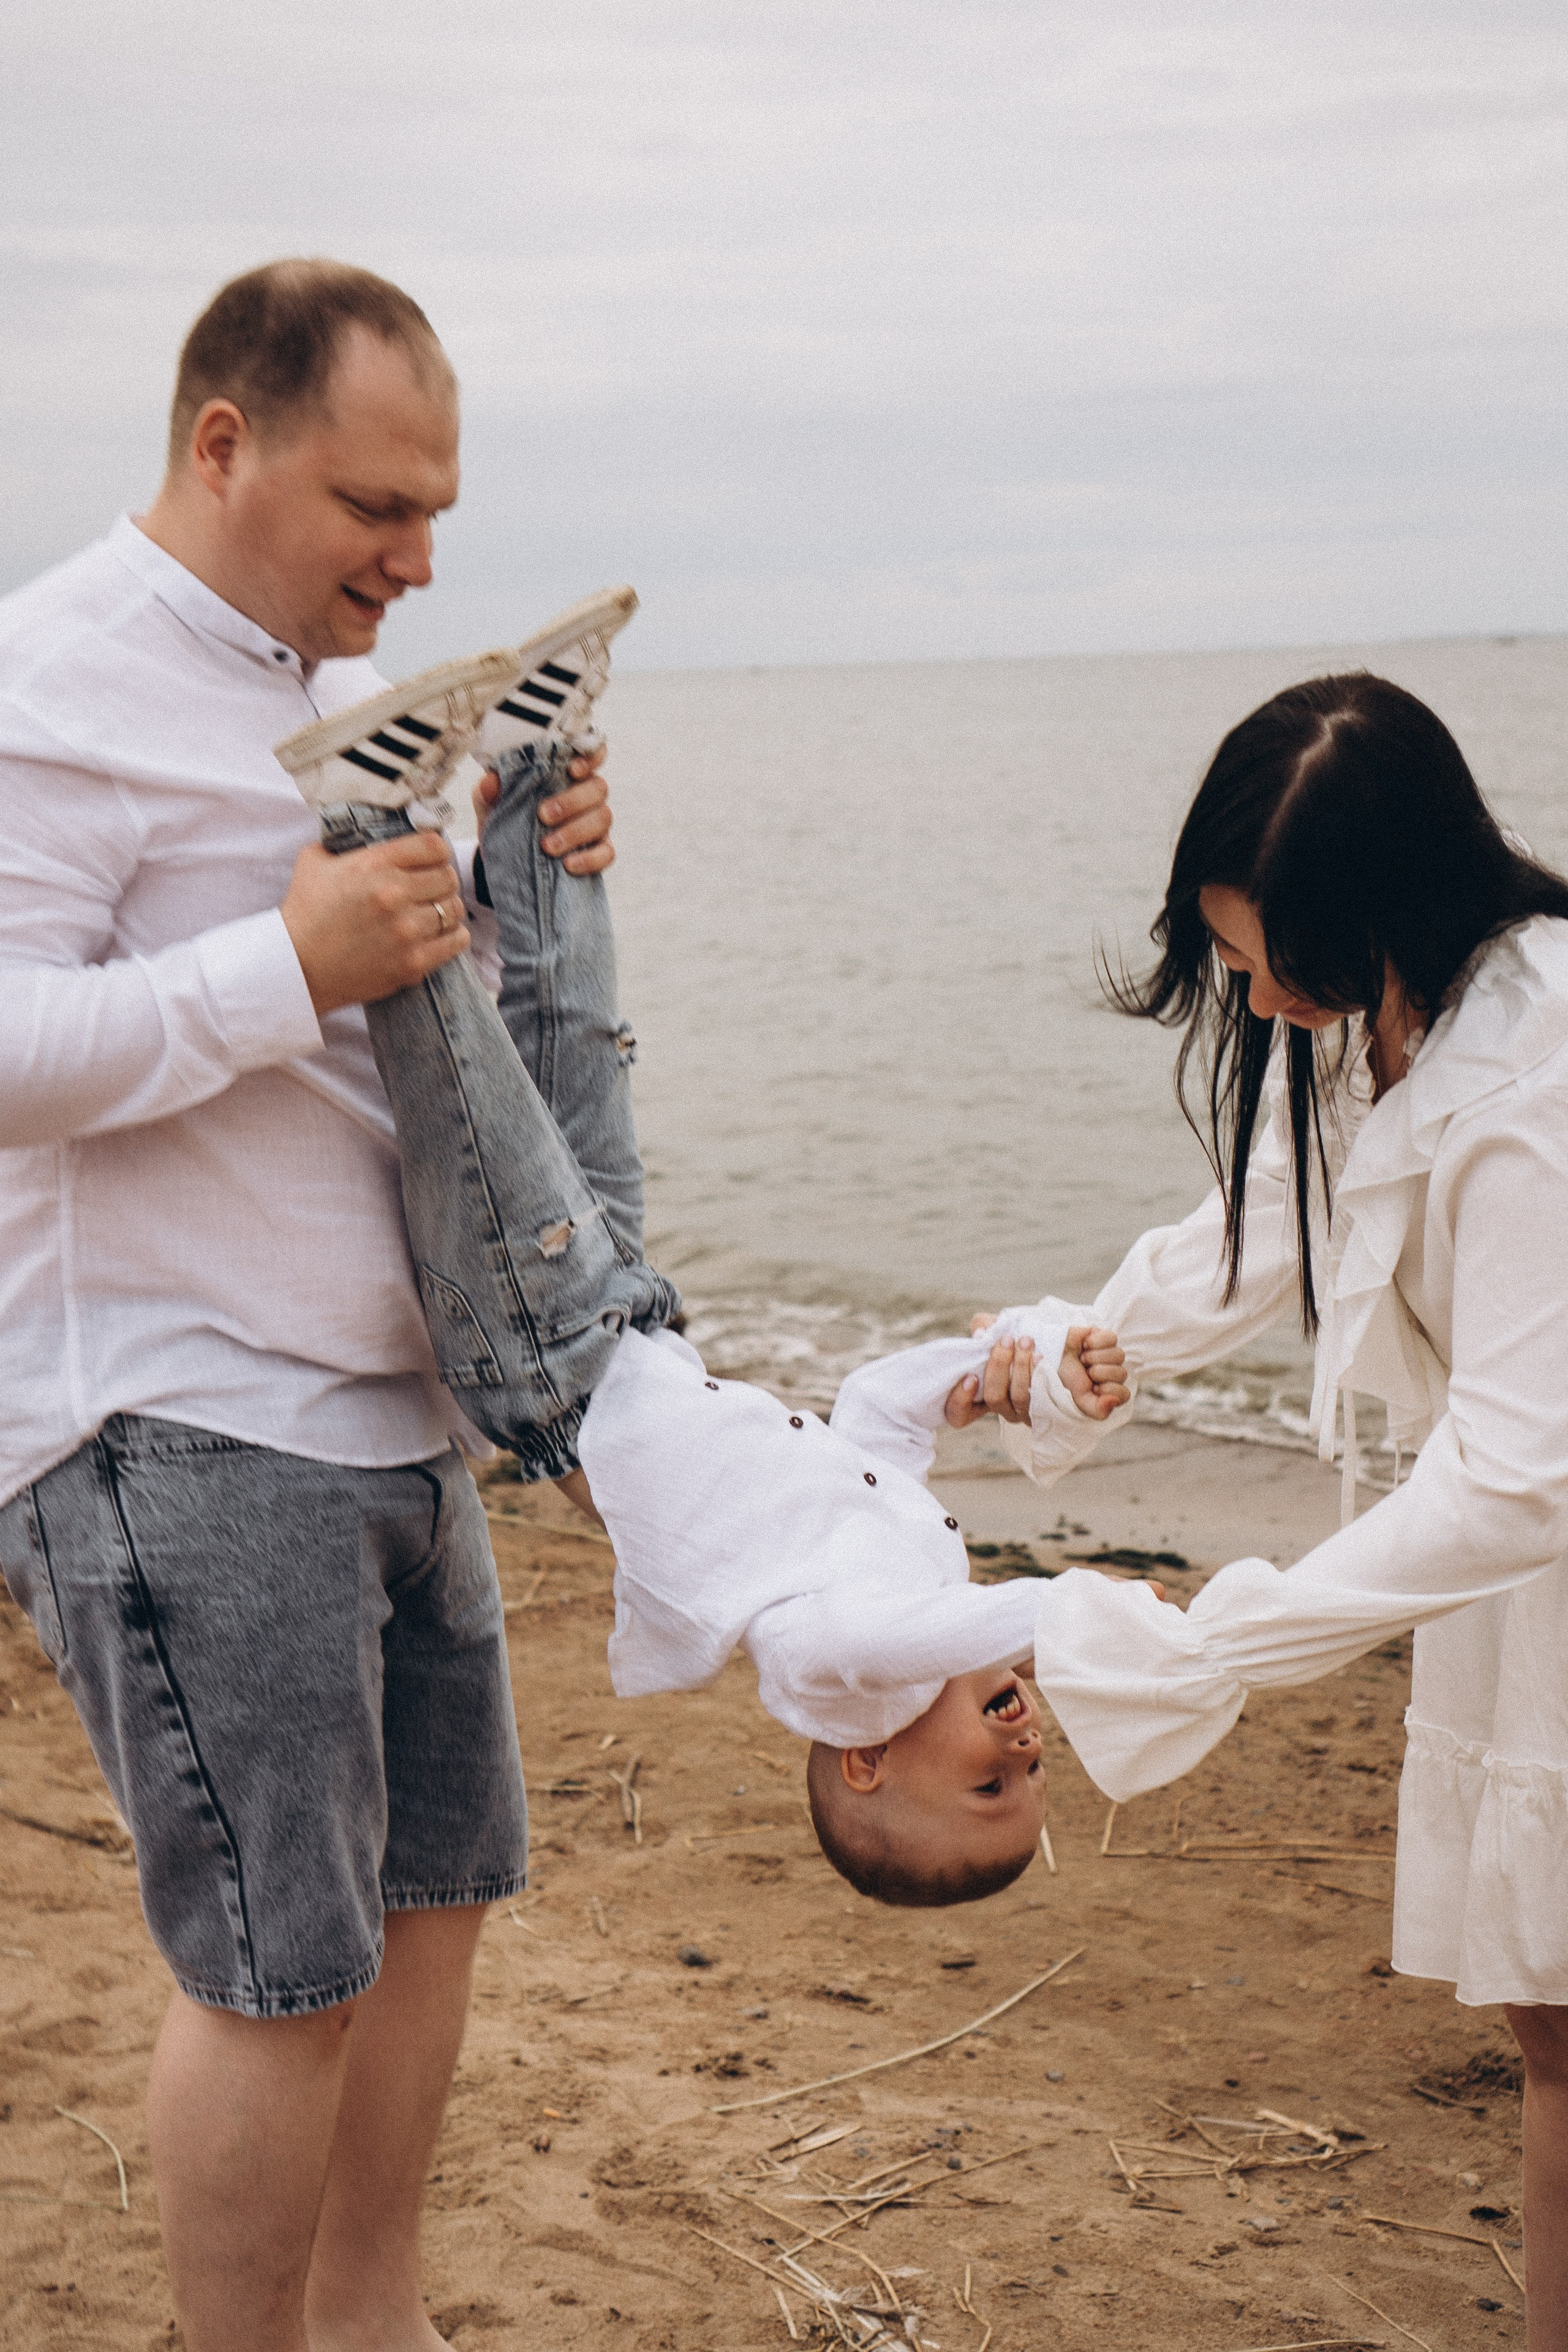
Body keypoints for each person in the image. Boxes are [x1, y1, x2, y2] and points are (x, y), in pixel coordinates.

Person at [0, 259, 616, 2352]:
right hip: (173, 1412)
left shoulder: (337, 699)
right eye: (376, 506)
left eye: (435, 511)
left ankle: (374, 2326)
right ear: (222, 444)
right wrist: (290, 965)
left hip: (394, 1406)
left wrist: (528, 878)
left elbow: (401, 1054)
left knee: (435, 1910)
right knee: (283, 1969)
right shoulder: (50, 680)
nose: (418, 559)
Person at [955, 673, 1568, 2347]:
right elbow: (1269, 1225)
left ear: (1377, 909)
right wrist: (1074, 1355)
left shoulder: (1532, 1086)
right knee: (1546, 2014)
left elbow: (1519, 1475)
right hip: (1522, 1569)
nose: (1241, 986)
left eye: (1257, 952)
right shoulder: (1394, 1016)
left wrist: (1227, 1644)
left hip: (1535, 1535)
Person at [293, 688, 1131, 1909]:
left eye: (990, 1784)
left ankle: (366, 818)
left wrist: (1067, 1615)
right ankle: (534, 762)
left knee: (467, 1078)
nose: (1027, 1750)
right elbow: (870, 1418)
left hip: (551, 1359)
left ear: (865, 1764)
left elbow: (913, 1640)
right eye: (1037, 1776)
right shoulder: (909, 1571)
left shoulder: (834, 1671)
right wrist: (974, 1378)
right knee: (580, 1037)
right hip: (628, 1314)